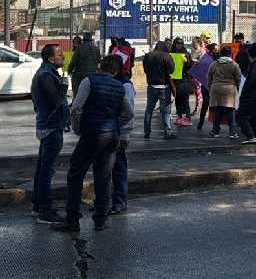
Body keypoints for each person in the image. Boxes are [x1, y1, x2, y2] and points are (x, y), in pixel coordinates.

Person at [54, 55, 134, 233]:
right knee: (103, 177)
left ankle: (72, 219)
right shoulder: (120, 87)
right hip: (111, 135)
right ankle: (100, 219)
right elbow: (128, 113)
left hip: (93, 134)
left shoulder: (88, 81)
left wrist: (78, 128)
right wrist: (115, 124)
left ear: (99, 67)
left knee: (75, 174)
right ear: (115, 71)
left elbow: (76, 107)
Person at [30, 43, 70, 224]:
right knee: (47, 170)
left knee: (43, 168)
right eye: (60, 55)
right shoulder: (46, 75)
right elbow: (55, 100)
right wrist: (63, 88)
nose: (63, 57)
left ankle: (38, 205)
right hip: (51, 126)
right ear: (50, 58)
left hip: (47, 124)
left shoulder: (45, 73)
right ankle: (45, 210)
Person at [110, 56, 136, 215]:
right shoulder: (116, 83)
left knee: (118, 167)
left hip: (120, 132)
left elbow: (128, 112)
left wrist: (124, 133)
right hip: (111, 131)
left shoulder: (125, 85)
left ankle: (119, 201)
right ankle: (107, 200)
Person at [142, 41, 176, 139]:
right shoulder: (166, 55)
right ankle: (167, 131)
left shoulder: (148, 56)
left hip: (152, 86)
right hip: (164, 87)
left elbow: (145, 70)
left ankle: (147, 132)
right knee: (165, 111)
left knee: (149, 109)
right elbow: (172, 70)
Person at [206, 46, 241, 139]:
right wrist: (236, 88)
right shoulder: (234, 65)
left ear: (221, 54)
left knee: (217, 111)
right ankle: (232, 132)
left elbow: (209, 77)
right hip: (229, 89)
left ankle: (215, 131)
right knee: (230, 111)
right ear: (230, 54)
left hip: (216, 89)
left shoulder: (214, 64)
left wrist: (211, 87)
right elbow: (238, 78)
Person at [194, 43, 219, 130]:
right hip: (207, 85)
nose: (217, 51)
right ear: (212, 50)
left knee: (213, 106)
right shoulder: (207, 58)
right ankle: (201, 123)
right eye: (215, 49)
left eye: (217, 49)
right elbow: (198, 70)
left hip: (213, 85)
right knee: (206, 105)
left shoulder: (216, 59)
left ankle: (214, 126)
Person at [170, 38, 195, 127]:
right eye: (177, 43)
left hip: (184, 80)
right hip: (175, 80)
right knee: (177, 100)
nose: (179, 45)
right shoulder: (172, 53)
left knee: (185, 100)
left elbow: (191, 66)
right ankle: (179, 117)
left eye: (180, 43)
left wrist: (186, 61)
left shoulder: (186, 53)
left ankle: (187, 118)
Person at [67, 32, 101, 97]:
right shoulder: (96, 49)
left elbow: (73, 62)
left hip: (80, 75)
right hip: (92, 75)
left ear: (83, 39)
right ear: (91, 39)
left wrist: (69, 70)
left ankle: (76, 103)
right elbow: (99, 61)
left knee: (78, 92)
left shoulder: (79, 48)